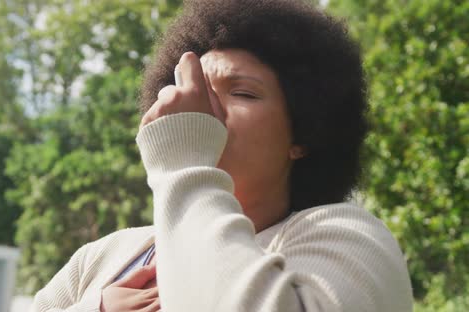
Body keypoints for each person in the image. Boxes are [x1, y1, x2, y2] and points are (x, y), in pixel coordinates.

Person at [29, 0, 414, 311]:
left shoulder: (352, 240)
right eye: (193, 90)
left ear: (304, 135)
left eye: (242, 93)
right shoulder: (102, 257)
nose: (203, 107)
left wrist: (185, 162)